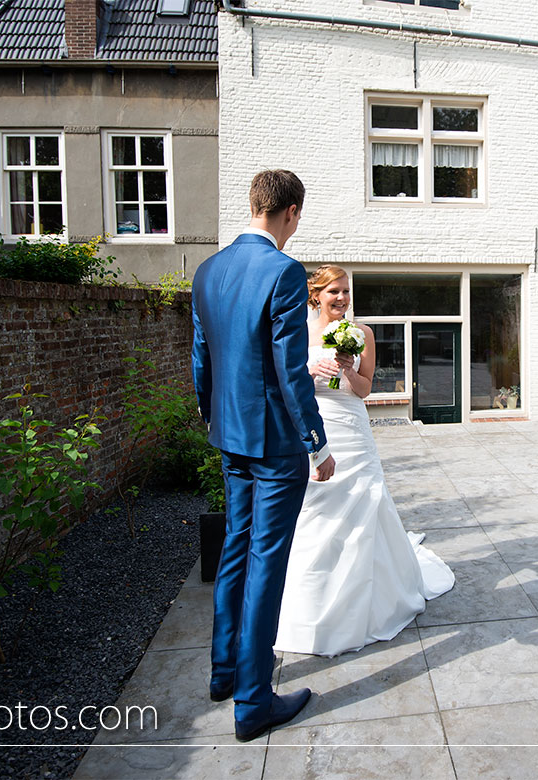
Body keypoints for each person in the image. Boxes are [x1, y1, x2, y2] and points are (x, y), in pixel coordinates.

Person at [191, 170, 334, 742]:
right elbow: (290, 371)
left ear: (255, 205)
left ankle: (223, 672)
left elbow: (202, 358)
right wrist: (316, 443)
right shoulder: (283, 272)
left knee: (233, 551)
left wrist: (212, 416)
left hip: (229, 435)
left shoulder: (208, 270)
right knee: (264, 566)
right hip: (274, 444)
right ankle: (253, 701)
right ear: (291, 213)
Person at [275, 266, 454, 657]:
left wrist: (344, 368)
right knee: (315, 513)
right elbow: (286, 383)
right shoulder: (298, 332)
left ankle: (371, 601)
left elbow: (365, 389)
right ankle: (311, 602)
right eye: (334, 292)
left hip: (354, 429)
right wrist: (309, 368)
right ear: (316, 295)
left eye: (346, 292)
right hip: (318, 428)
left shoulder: (363, 334)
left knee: (365, 505)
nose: (342, 298)